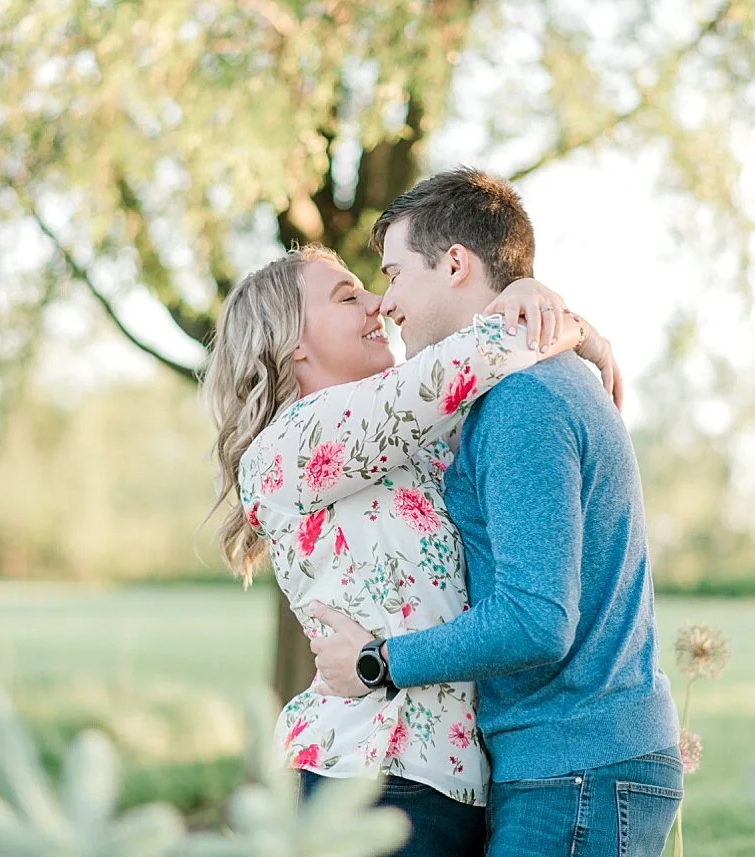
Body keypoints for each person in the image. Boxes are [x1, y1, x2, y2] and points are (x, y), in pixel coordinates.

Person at [201, 233, 619, 856]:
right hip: (369, 771)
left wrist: (529, 301)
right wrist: (560, 321)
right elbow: (459, 366)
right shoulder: (290, 444)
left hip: (445, 783)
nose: (379, 304)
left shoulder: (405, 444)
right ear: (289, 345)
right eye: (348, 296)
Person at [307, 167, 682, 857]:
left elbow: (535, 618)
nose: (385, 302)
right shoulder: (509, 390)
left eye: (393, 273)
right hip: (570, 761)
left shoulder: (523, 402)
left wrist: (377, 660)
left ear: (454, 264)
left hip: (577, 764)